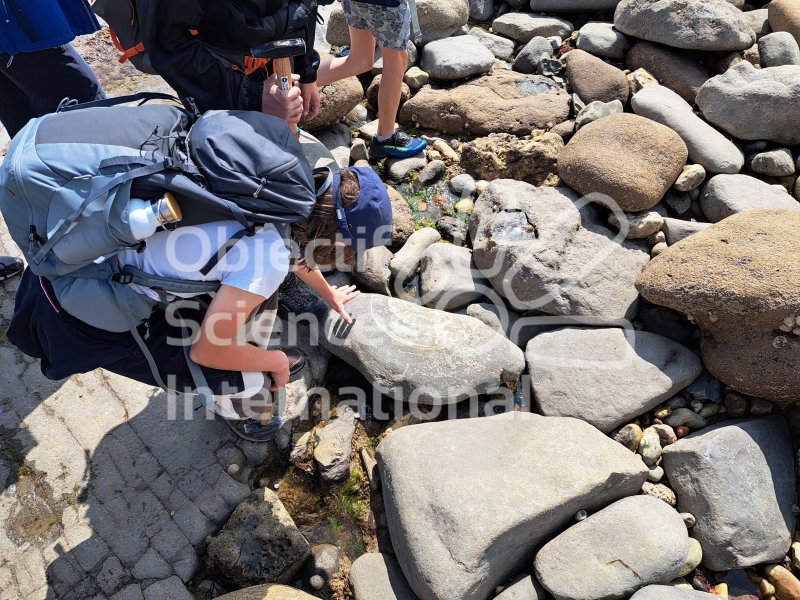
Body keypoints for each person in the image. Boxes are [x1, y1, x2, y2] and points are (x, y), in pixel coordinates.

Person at [8, 166, 392, 442]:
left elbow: (292, 251)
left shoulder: (279, 187)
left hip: (75, 254)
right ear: (336, 242)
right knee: (246, 370)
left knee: (256, 300)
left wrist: (329, 295)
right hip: (79, 312)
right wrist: (271, 362)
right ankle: (244, 413)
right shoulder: (268, 258)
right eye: (349, 251)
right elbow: (208, 349)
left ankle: (246, 359)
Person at [0, 0, 106, 283]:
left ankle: (59, 236)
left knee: (27, 128)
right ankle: (101, 235)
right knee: (90, 113)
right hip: (16, 21)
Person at [145, 0, 325, 125]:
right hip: (219, 83)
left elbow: (303, 5)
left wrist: (306, 71)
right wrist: (251, 97)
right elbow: (168, 45)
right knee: (235, 166)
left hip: (275, 64)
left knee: (280, 152)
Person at [316, 0, 427, 159]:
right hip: (387, 4)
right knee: (396, 61)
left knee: (359, 59)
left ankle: (291, 87)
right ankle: (386, 138)